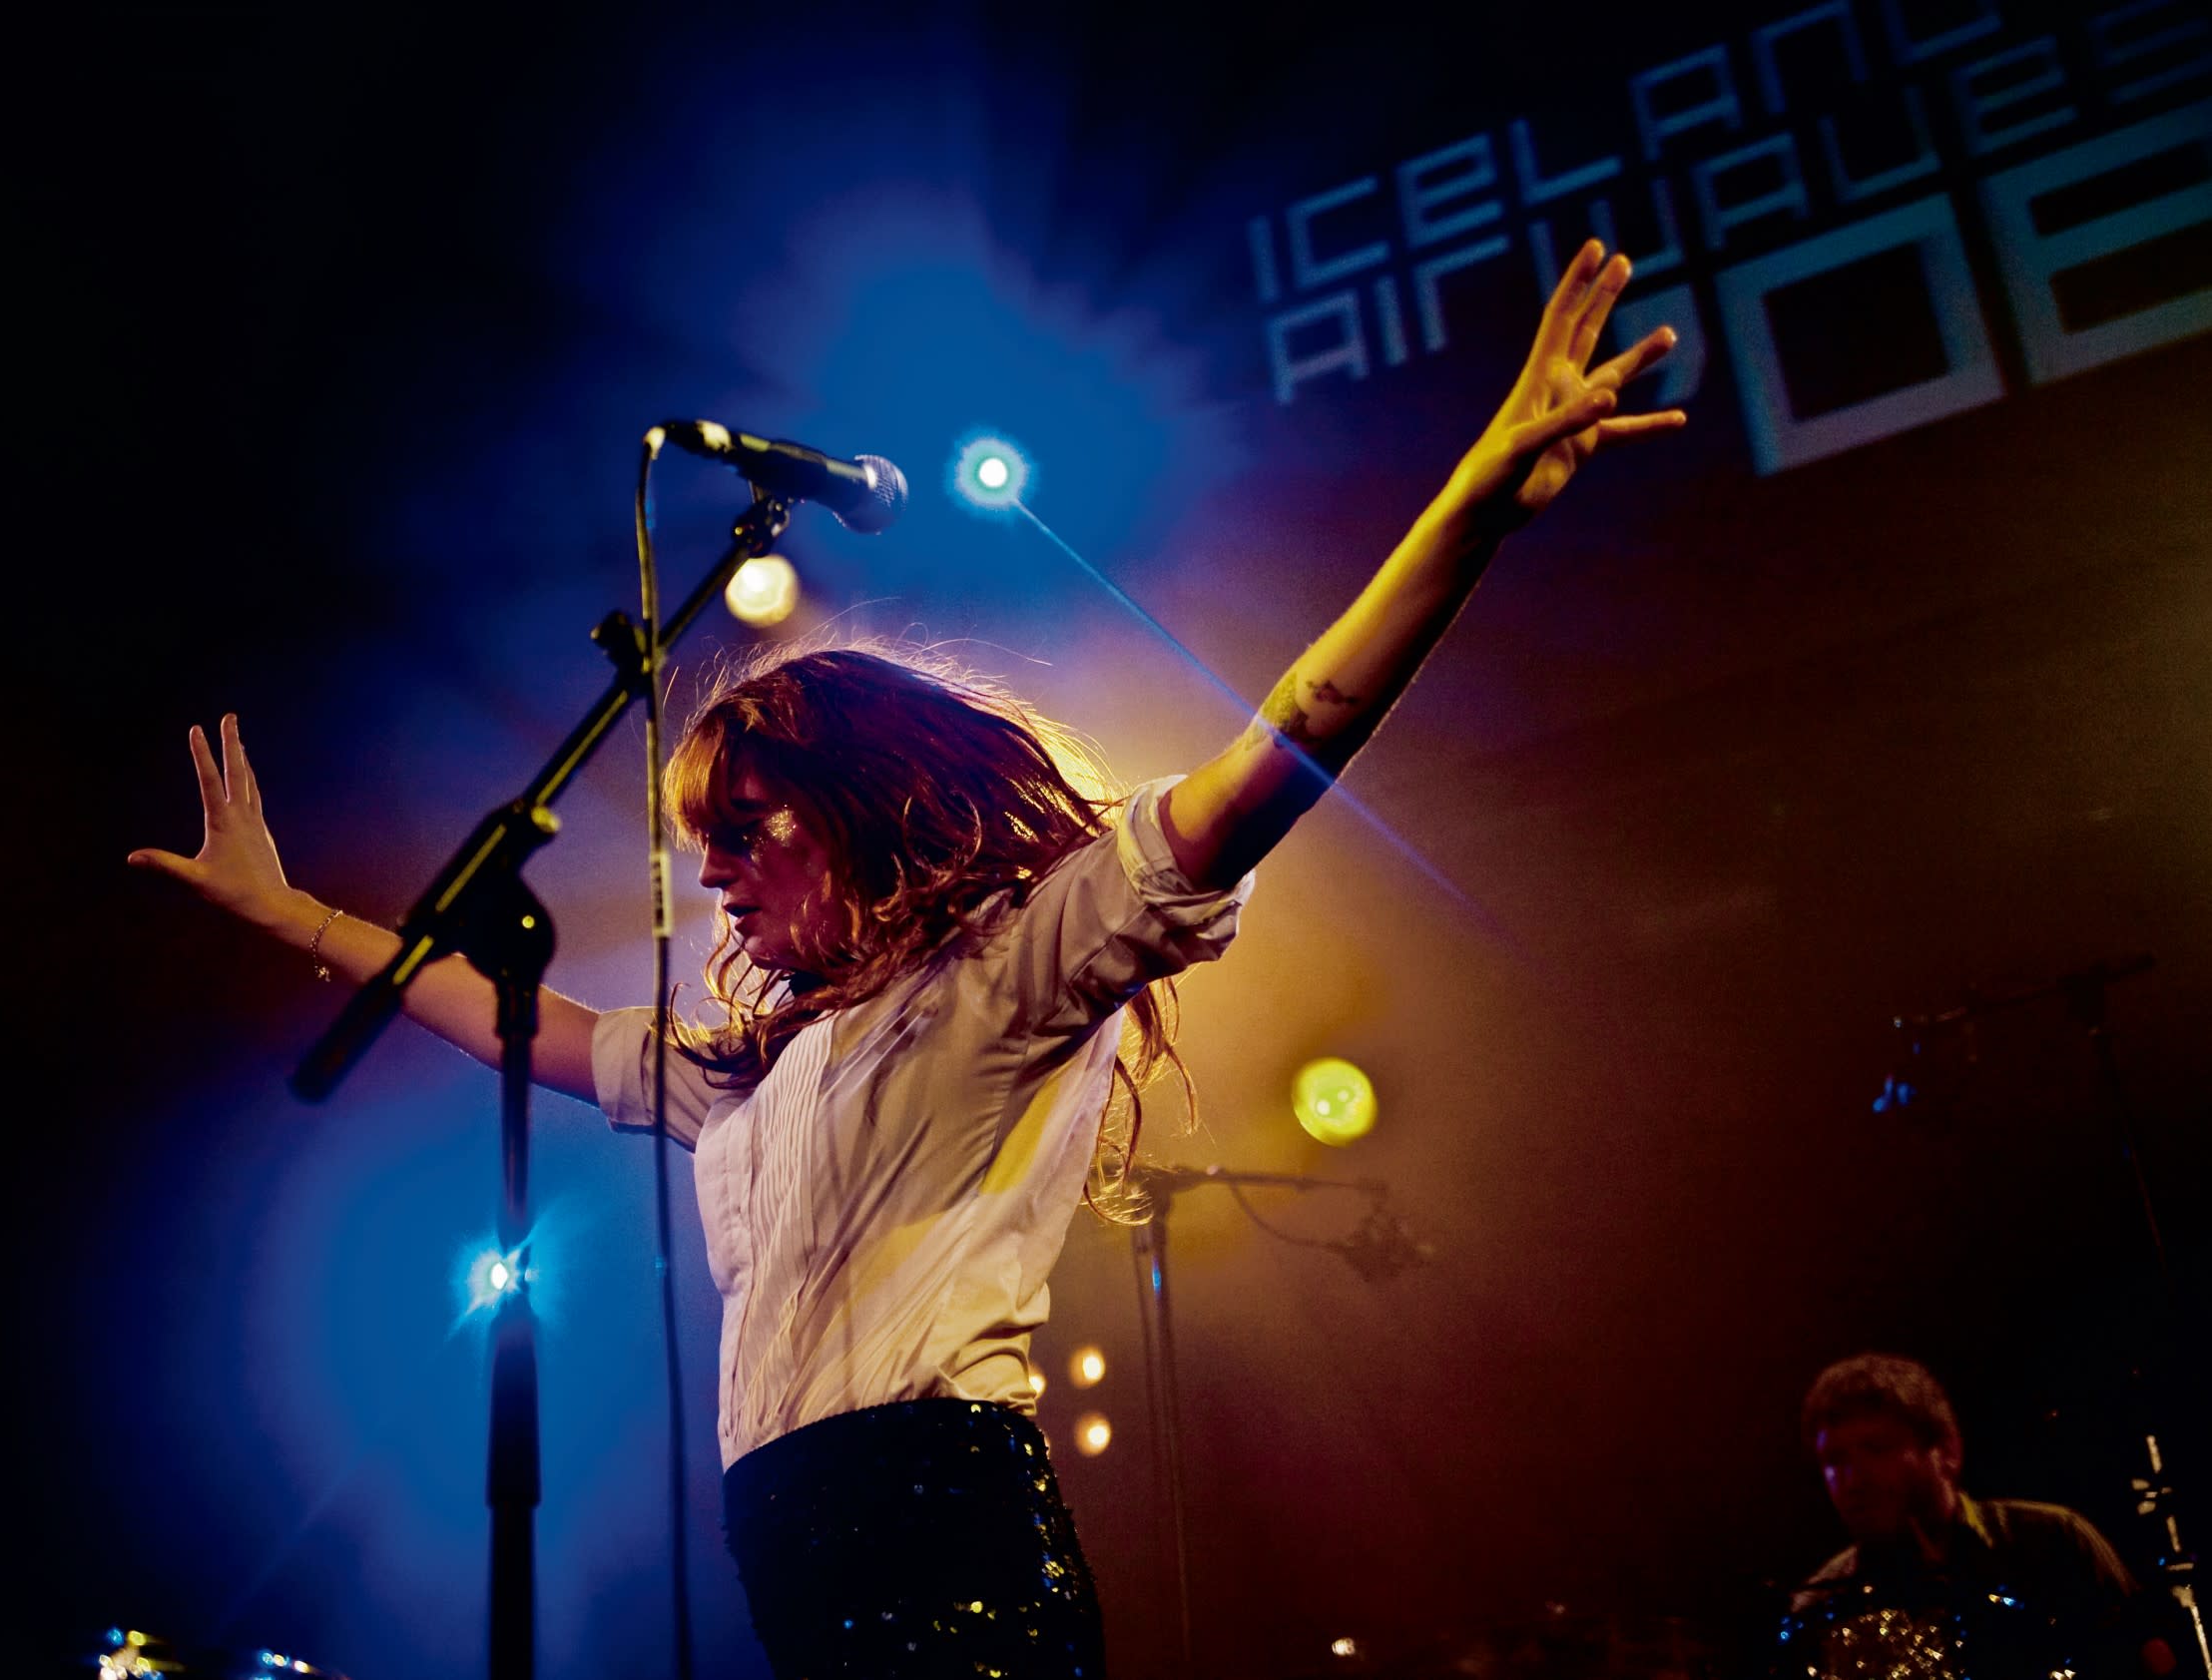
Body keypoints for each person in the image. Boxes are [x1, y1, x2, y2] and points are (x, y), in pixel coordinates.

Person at [129, 243, 1684, 1678]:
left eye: (750, 826)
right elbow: (518, 1021)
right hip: (788, 1556)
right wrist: (291, 914)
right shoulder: (749, 1075)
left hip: (947, 1524)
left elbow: (1290, 739)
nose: (717, 872)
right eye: (701, 843)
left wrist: (1473, 505)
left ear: (859, 813)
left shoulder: (1013, 971)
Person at [1789, 1353, 2169, 1680]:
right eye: (1834, 1460)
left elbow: (2149, 1663)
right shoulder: (1821, 1605)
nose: (1853, 1479)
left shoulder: (2053, 1541)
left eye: (1877, 1448)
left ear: (1947, 1450)